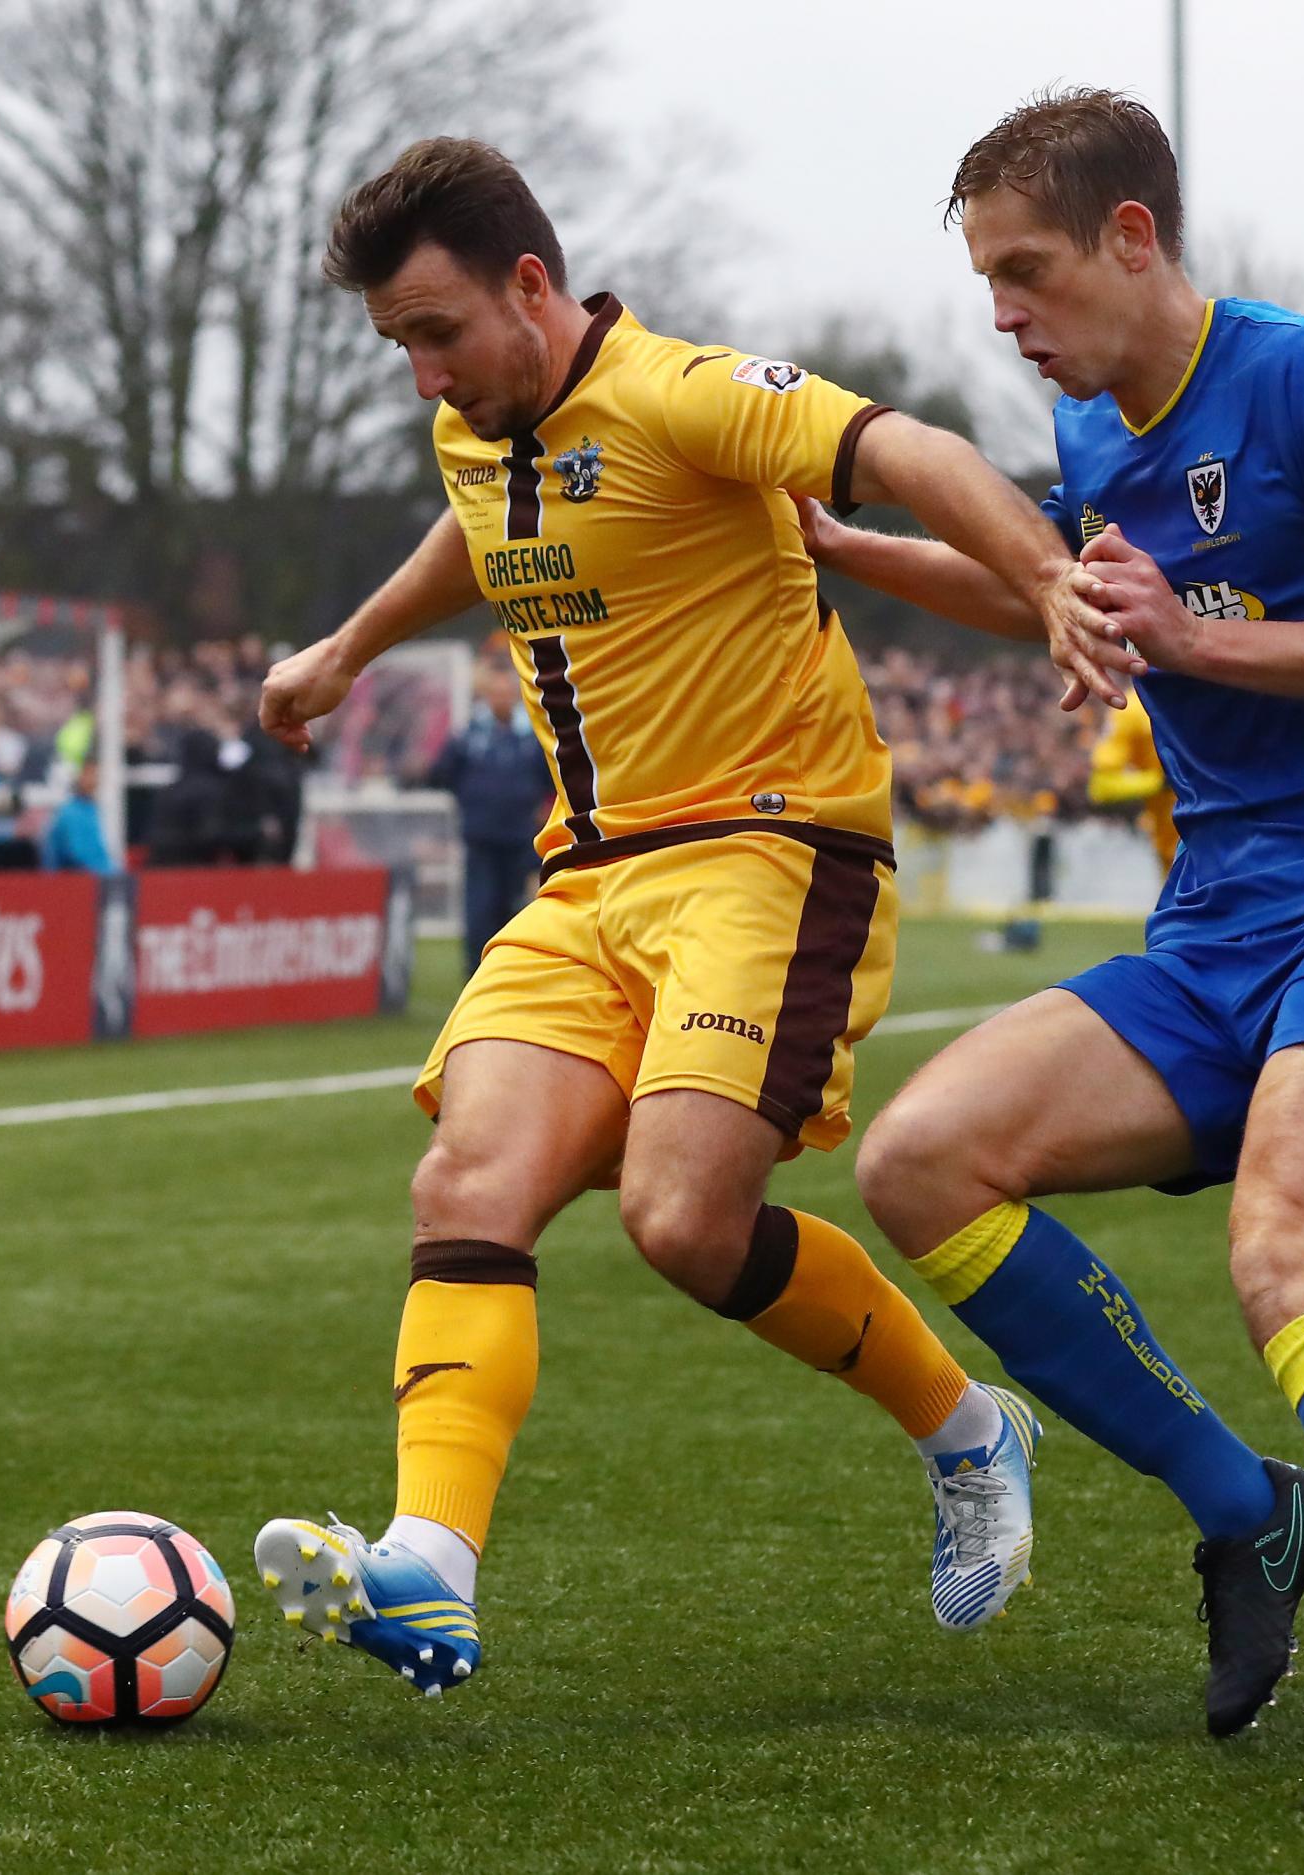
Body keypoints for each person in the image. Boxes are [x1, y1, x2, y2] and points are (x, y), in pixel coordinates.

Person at [248, 135, 1130, 1698]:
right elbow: (487, 520)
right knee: (467, 1172)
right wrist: (347, 647)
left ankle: (973, 1428)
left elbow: (910, 449)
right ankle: (429, 1567)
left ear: (533, 286)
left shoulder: (685, 392)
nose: (426, 376)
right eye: (398, 345)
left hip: (771, 855)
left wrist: (1051, 579)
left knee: (680, 1220)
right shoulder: (484, 421)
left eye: (439, 331)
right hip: (587, 878)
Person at [807, 89, 1304, 1814]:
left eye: (1029, 273)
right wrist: (875, 556)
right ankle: (1249, 1510)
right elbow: (1081, 587)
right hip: (1216, 927)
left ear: (1133, 239)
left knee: (1292, 1255)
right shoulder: (1096, 429)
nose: (1005, 314)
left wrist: (1201, 640)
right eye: (989, 282)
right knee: (922, 1161)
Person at [425, 642, 553, 974]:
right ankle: (476, 980)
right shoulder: (470, 736)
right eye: (495, 692)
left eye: (507, 691)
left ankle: (509, 978)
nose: (501, 698)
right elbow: (441, 773)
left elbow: (551, 782)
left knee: (515, 914)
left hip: (521, 840)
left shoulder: (531, 737)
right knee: (479, 913)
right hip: (480, 839)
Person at [1086, 687, 1176, 868]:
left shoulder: (1231, 685)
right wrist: (1161, 782)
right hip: (1174, 847)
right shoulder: (1133, 709)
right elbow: (1101, 784)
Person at [39, 757, 119, 875]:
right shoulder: (68, 812)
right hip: (71, 883)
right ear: (78, 776)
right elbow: (78, 855)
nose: (94, 779)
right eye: (89, 774)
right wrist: (111, 874)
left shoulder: (94, 810)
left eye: (96, 774)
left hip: (96, 879)